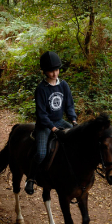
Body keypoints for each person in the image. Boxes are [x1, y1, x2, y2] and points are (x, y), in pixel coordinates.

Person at [25, 51, 78, 195]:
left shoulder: (64, 85)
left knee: (76, 140)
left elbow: (69, 105)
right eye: (51, 71)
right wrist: (53, 129)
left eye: (56, 70)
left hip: (60, 120)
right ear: (44, 72)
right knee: (41, 153)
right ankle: (31, 178)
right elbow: (41, 115)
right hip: (45, 125)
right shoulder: (41, 89)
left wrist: (73, 120)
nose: (55, 74)